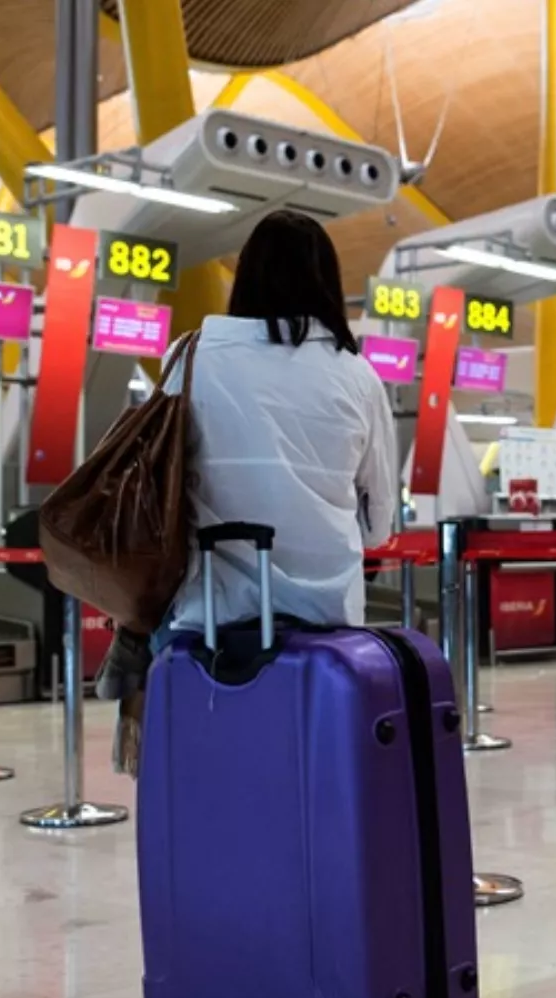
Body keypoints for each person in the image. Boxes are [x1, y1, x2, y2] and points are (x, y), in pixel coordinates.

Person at [98, 211, 398, 705]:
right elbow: (378, 526)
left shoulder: (191, 356)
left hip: (206, 617)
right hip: (326, 620)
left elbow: (154, 480)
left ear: (246, 276)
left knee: (189, 761)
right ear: (328, 280)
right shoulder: (359, 376)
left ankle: (134, 669)